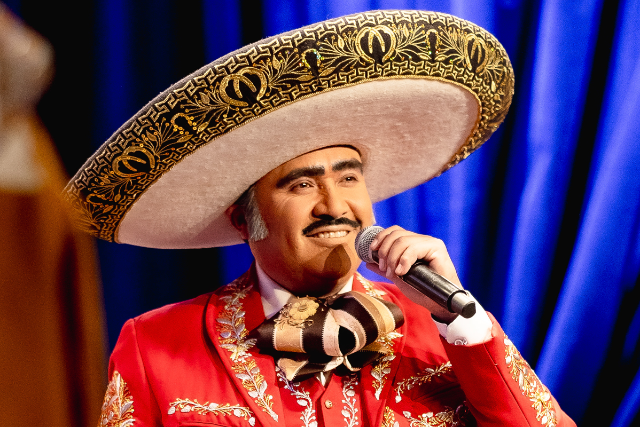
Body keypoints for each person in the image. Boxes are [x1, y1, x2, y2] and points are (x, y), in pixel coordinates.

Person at [64, 10, 576, 427]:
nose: (334, 205)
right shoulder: (155, 342)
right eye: (302, 185)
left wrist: (460, 320)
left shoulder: (444, 325)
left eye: (349, 178)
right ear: (243, 220)